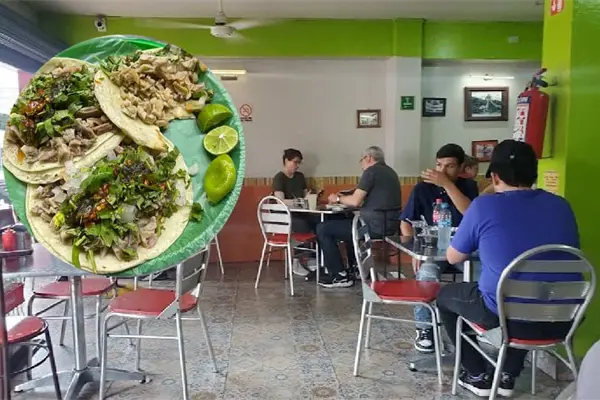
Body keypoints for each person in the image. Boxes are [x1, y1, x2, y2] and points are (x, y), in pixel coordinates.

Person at [438, 140, 580, 397]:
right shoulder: (562, 205)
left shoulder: (484, 206)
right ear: (534, 173)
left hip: (509, 320)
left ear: (494, 176)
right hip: (564, 318)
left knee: (447, 297)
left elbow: (452, 256)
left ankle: (476, 375)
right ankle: (506, 375)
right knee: (529, 294)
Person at [399, 143, 479, 353]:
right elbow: (405, 222)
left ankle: (478, 325)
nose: (442, 171)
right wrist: (415, 250)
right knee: (426, 276)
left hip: (464, 251)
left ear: (460, 168)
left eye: (449, 166)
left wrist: (447, 185)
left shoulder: (469, 186)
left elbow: (471, 214)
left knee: (481, 276)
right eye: (439, 165)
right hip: (432, 251)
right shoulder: (422, 188)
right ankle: (424, 329)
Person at [317, 146, 401, 288]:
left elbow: (355, 201)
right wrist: (346, 197)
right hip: (391, 226)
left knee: (323, 229)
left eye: (361, 160)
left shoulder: (371, 172)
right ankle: (356, 268)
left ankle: (340, 276)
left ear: (368, 158)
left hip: (373, 226)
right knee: (348, 224)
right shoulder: (390, 172)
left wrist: (337, 199)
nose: (361, 165)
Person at [272, 148, 319, 276]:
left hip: (301, 213)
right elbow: (280, 201)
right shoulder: (279, 178)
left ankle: (311, 257)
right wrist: (298, 201)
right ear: (286, 161)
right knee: (303, 225)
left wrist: (311, 196)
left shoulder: (300, 177)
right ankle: (297, 260)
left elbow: (305, 195)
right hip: (285, 216)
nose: (297, 165)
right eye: (295, 162)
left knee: (319, 223)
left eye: (299, 163)